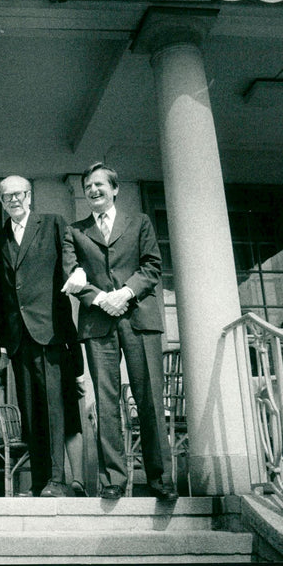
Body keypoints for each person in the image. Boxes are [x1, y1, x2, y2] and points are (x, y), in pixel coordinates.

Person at [61, 162, 177, 501]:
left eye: (100, 184)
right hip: (99, 322)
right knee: (107, 400)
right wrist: (100, 299)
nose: (93, 190)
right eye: (88, 186)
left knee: (150, 398)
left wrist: (125, 293)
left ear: (115, 189)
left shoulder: (139, 222)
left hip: (139, 318)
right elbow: (71, 272)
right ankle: (113, 479)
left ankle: (160, 479)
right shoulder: (75, 230)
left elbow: (152, 265)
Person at [0, 176, 84, 498]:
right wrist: (3, 339)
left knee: (55, 409)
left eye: (18, 194)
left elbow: (71, 259)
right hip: (18, 337)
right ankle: (40, 480)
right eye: (7, 197)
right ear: (1, 202)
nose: (13, 200)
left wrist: (77, 273)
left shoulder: (54, 224)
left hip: (50, 332)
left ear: (29, 196)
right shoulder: (0, 237)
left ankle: (58, 480)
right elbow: (2, 292)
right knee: (31, 411)